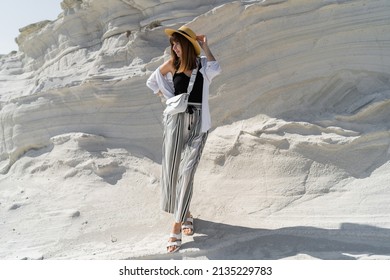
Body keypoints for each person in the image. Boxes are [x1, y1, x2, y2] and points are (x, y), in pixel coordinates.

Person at [146, 25, 221, 253]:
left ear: (188, 45)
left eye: (178, 44)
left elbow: (217, 67)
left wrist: (205, 45)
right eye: (173, 44)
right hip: (175, 123)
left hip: (199, 124)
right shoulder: (173, 65)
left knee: (187, 172)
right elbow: (152, 81)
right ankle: (186, 213)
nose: (174, 48)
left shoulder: (202, 66)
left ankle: (176, 226)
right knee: (171, 171)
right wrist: (171, 99)